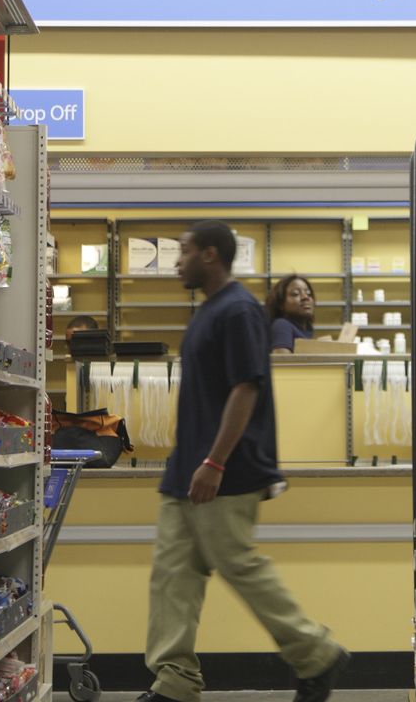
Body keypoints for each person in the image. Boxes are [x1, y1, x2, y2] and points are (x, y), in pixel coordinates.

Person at [141, 221, 348, 702]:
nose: (177, 261)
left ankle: (317, 654)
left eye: (185, 251)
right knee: (172, 577)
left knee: (237, 563)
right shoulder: (209, 311)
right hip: (185, 471)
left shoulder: (238, 311)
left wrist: (214, 463)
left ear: (210, 255)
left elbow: (246, 387)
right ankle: (174, 682)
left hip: (224, 470)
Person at [265, 275, 316, 353]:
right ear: (281, 304)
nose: (306, 297)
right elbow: (282, 362)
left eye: (308, 293)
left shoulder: (307, 328)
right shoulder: (282, 325)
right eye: (295, 294)